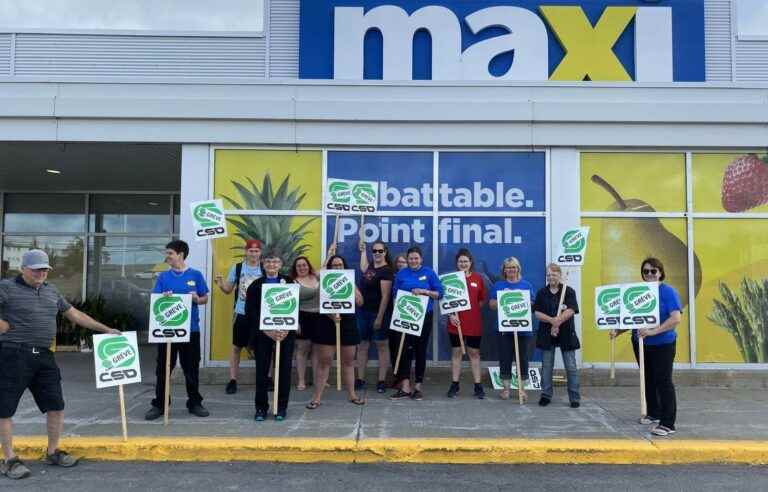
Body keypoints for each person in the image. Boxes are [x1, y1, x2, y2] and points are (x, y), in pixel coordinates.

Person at [0, 250, 120, 479]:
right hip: (14, 354)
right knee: (5, 408)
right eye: (36, 269)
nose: (41, 273)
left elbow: (75, 315)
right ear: (23, 269)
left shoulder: (51, 290)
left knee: (56, 405)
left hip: (44, 356)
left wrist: (106, 330)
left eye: (45, 269)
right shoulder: (6, 287)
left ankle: (53, 451)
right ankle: (9, 459)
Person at [612, 257, 682, 436]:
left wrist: (653, 331)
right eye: (646, 271)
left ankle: (668, 423)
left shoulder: (668, 292)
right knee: (648, 379)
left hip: (663, 343)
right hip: (641, 343)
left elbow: (675, 319)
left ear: (660, 272)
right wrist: (618, 331)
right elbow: (633, 317)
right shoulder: (638, 292)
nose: (649, 274)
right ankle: (654, 413)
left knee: (664, 381)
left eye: (653, 271)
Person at [145, 240, 210, 421]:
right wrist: (162, 297)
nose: (167, 257)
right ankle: (160, 403)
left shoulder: (196, 275)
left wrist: (197, 298)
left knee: (191, 368)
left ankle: (195, 402)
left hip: (191, 330)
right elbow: (154, 299)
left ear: (180, 254)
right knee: (163, 369)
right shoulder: (163, 277)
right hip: (167, 331)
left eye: (170, 253)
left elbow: (205, 298)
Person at [305, 253, 364, 409]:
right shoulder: (323, 280)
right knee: (324, 362)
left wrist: (350, 287)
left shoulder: (350, 281)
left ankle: (352, 395)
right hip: (327, 323)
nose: (337, 267)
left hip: (348, 323)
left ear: (344, 267)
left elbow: (360, 301)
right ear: (329, 268)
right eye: (334, 265)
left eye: (340, 265)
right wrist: (331, 315)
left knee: (349, 362)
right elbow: (319, 302)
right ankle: (316, 398)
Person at [389, 246, 443, 401]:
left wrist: (424, 291)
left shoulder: (429, 273)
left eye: (416, 258)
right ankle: (405, 387)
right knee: (404, 350)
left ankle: (418, 386)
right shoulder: (401, 273)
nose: (413, 261)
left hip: (423, 316)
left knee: (420, 350)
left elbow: (440, 293)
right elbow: (395, 293)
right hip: (405, 315)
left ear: (421, 259)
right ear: (407, 260)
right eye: (411, 258)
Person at [245, 251, 294, 421]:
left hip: (285, 333)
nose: (272, 265)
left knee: (284, 370)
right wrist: (266, 330)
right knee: (261, 371)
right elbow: (250, 311)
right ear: (263, 264)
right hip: (262, 334)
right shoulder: (255, 285)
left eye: (275, 262)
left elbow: (295, 308)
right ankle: (261, 408)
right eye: (268, 262)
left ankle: (281, 407)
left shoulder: (288, 282)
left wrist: (286, 329)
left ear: (280, 264)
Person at [214, 239, 263, 395]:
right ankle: (233, 380)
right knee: (236, 347)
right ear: (246, 251)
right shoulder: (237, 268)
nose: (253, 253)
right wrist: (221, 284)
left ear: (260, 252)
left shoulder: (265, 268)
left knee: (264, 348)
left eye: (256, 251)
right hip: (241, 313)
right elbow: (228, 290)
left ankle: (266, 378)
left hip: (261, 314)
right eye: (251, 250)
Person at [488, 257, 536, 402]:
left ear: (518, 268)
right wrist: (504, 299)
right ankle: (506, 389)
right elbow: (491, 304)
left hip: (523, 329)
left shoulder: (526, 285)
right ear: (504, 270)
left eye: (514, 267)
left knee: (523, 359)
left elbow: (533, 305)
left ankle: (522, 389)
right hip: (504, 329)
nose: (511, 270)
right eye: (508, 268)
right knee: (505, 358)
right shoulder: (498, 285)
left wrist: (520, 300)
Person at [534, 263, 580, 408]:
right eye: (548, 275)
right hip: (547, 334)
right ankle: (546, 395)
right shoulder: (542, 292)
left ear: (559, 275)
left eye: (554, 274)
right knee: (547, 366)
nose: (551, 277)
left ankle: (574, 397)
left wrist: (557, 323)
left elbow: (571, 310)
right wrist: (552, 321)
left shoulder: (569, 291)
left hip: (566, 333)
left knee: (571, 366)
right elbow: (537, 313)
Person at [446, 248, 487, 399]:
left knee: (474, 353)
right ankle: (454, 384)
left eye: (466, 261)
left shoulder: (478, 279)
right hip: (455, 323)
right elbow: (446, 301)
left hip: (474, 324)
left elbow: (481, 300)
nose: (463, 263)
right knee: (456, 353)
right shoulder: (450, 279)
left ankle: (478, 386)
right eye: (460, 261)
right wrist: (451, 314)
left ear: (471, 263)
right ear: (457, 263)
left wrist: (471, 311)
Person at [356, 240, 393, 393]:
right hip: (363, 312)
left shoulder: (386, 271)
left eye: (380, 251)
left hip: (378, 314)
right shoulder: (371, 267)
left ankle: (381, 381)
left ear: (385, 252)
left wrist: (379, 317)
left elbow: (385, 297)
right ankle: (360, 379)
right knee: (362, 346)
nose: (377, 253)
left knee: (382, 346)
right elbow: (363, 267)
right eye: (375, 251)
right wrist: (363, 250)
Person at [292, 256, 319, 391]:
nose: (302, 267)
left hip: (320, 317)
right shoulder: (293, 282)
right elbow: (292, 304)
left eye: (304, 265)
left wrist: (331, 252)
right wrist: (295, 322)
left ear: (308, 266)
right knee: (302, 350)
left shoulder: (317, 277)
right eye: (299, 266)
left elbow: (326, 268)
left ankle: (316, 380)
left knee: (316, 351)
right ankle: (301, 381)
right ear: (295, 268)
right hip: (303, 317)